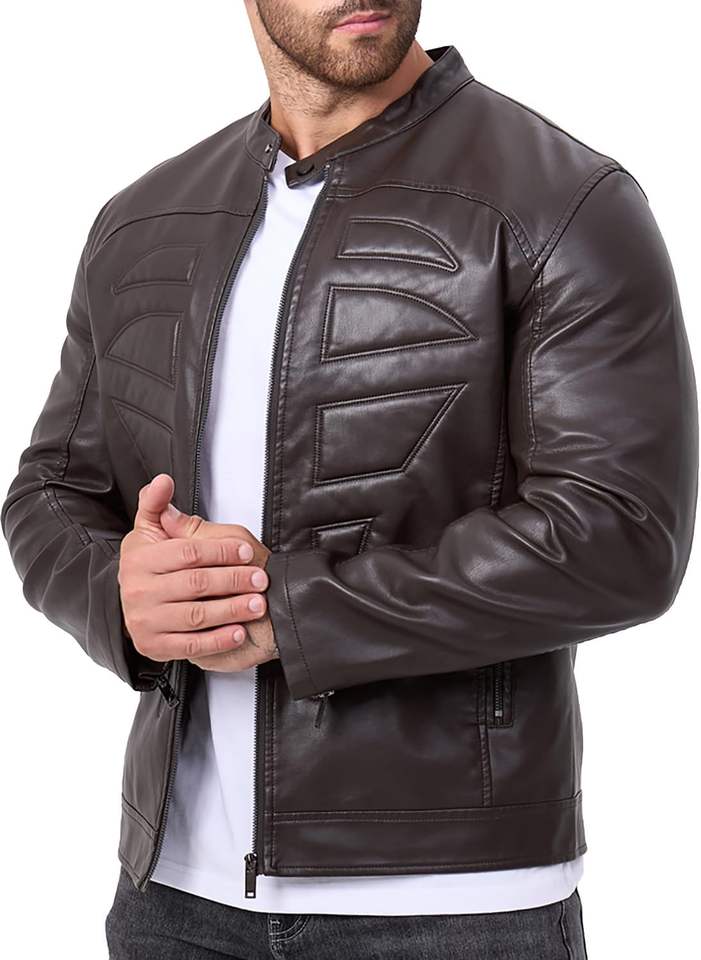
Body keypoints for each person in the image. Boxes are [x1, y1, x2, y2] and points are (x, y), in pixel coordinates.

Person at [2, 1, 697, 957]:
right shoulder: (145, 217)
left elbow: (619, 535)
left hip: (453, 902)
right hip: (172, 895)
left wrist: (290, 614)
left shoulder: (561, 202)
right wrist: (117, 593)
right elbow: (51, 491)